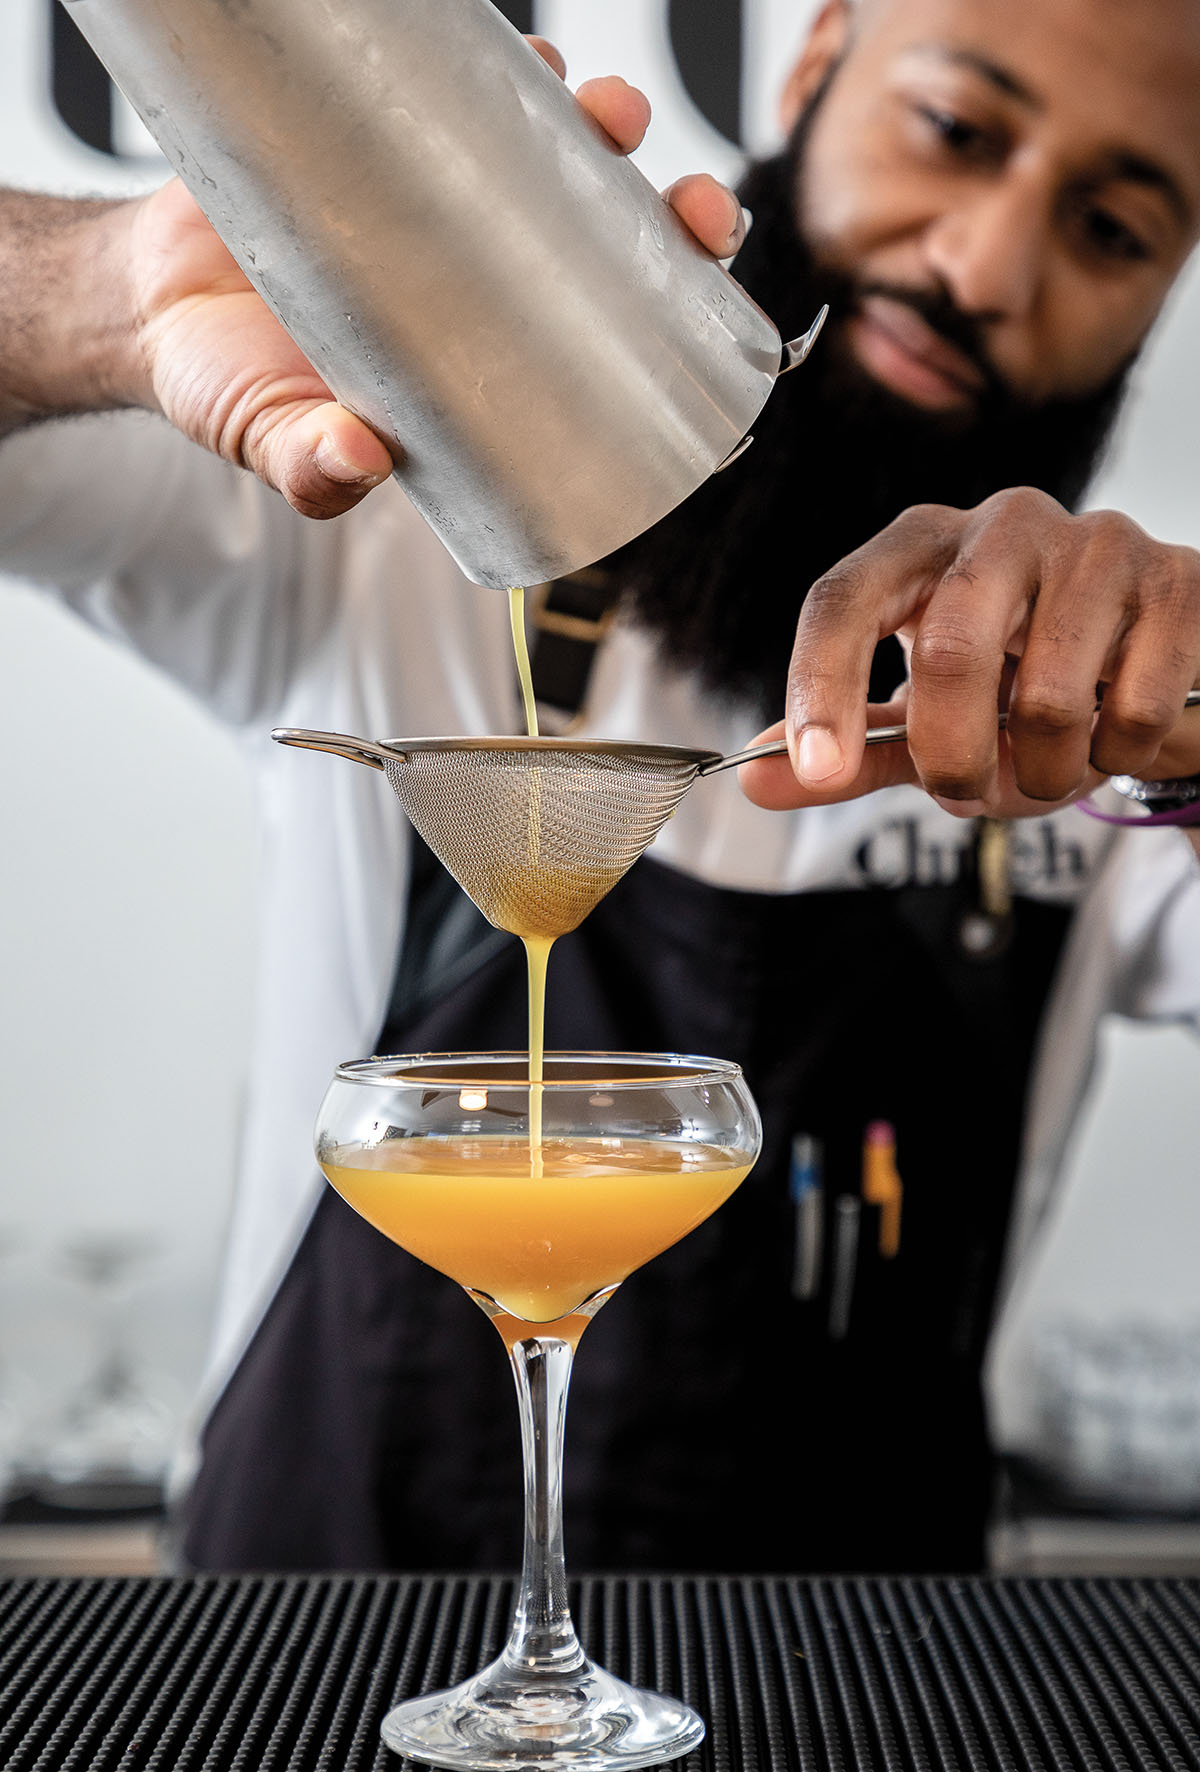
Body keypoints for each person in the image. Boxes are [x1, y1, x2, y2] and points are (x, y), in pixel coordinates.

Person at [3, 0, 1200, 1574]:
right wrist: (106, 296)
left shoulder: (1123, 729)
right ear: (819, 58)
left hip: (881, 1682)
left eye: (1110, 228)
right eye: (956, 133)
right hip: (315, 1651)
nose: (984, 267)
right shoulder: (380, 519)